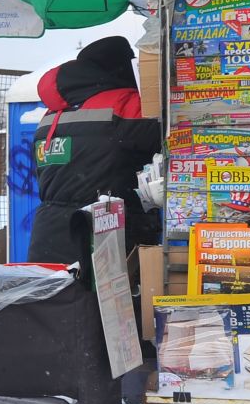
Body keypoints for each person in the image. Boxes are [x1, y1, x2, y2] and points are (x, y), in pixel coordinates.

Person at [26, 36, 162, 265]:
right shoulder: (123, 104)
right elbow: (175, 134)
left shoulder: (49, 116)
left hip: (48, 235)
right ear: (122, 67)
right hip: (103, 235)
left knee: (56, 300)